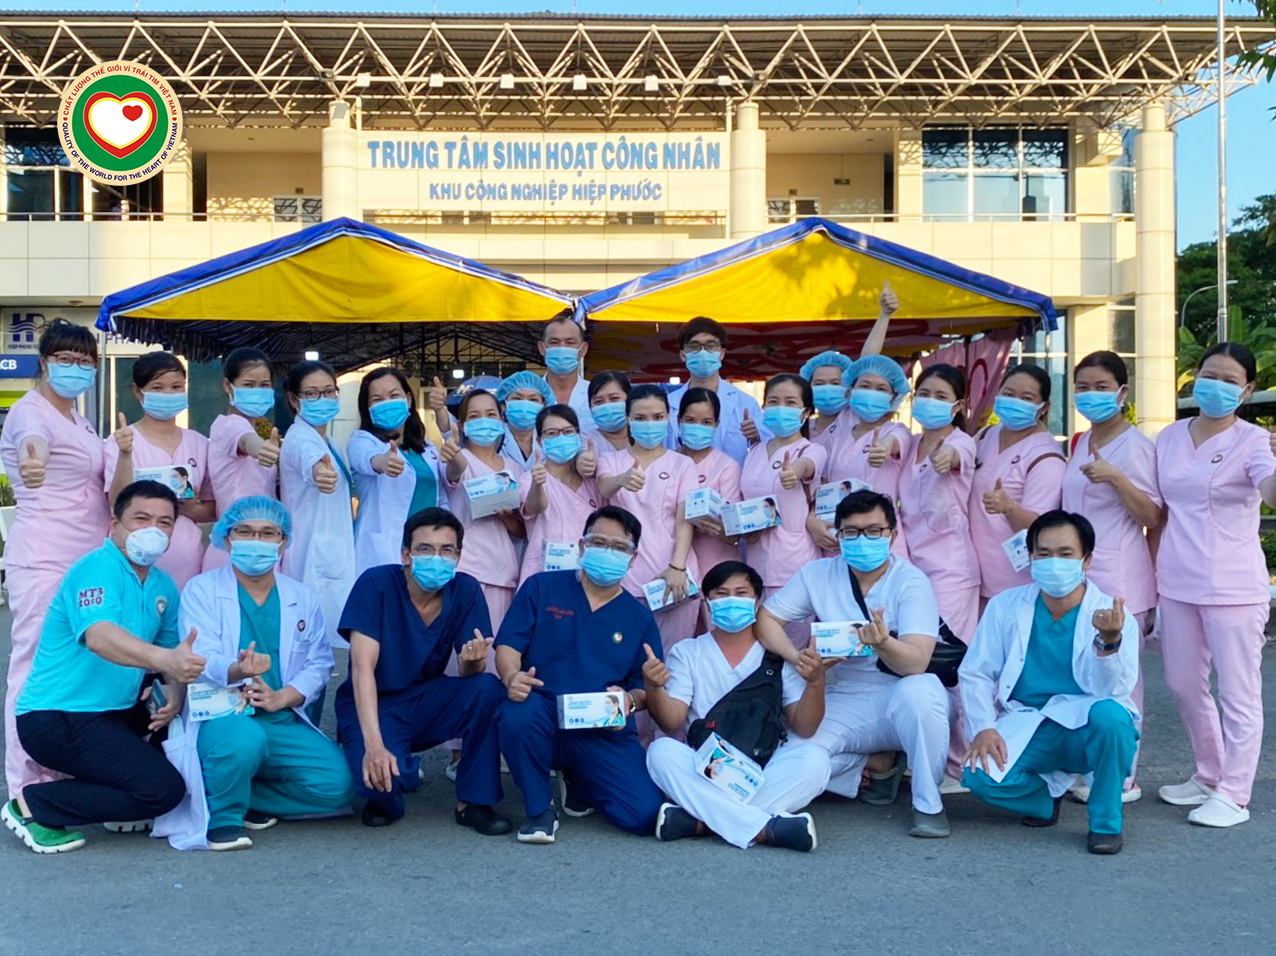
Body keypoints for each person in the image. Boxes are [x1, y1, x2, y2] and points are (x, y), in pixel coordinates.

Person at [2, 480, 202, 854]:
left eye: (164, 523)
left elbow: (171, 654)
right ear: (114, 524)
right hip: (57, 717)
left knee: (174, 717)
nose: (153, 530)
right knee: (163, 791)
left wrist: (174, 693)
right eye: (141, 519)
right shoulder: (96, 569)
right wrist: (165, 661)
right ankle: (34, 805)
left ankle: (117, 796)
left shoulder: (162, 585)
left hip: (113, 712)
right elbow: (99, 636)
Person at [161, 496, 355, 851]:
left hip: (280, 717)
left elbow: (319, 662)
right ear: (227, 538)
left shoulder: (301, 596)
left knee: (339, 786)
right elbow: (200, 654)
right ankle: (225, 818)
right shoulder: (202, 589)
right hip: (224, 714)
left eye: (268, 533)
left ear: (283, 542)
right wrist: (237, 668)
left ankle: (239, 790)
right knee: (243, 741)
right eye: (246, 532)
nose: (257, 540)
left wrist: (283, 696)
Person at [758, 489, 952, 839]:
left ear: (892, 535)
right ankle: (875, 765)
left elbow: (917, 662)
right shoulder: (818, 574)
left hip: (903, 696)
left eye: (874, 531)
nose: (863, 540)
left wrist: (884, 643)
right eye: (851, 532)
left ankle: (928, 805)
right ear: (838, 535)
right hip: (847, 696)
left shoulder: (911, 582)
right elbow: (766, 619)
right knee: (797, 754)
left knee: (922, 692)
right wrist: (797, 657)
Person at [961, 510, 1139, 855]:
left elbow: (1114, 692)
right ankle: (1046, 798)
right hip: (1030, 722)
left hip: (1084, 724)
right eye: (1043, 553)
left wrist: (1109, 642)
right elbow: (976, 672)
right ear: (1030, 557)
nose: (1053, 562)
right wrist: (984, 727)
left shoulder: (1113, 615)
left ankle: (1105, 824)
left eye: (1066, 554)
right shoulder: (1005, 606)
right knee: (977, 777)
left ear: (1086, 560)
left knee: (1114, 719)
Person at [1155, 343, 1276, 828]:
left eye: (1230, 380)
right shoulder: (1169, 436)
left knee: (1239, 693)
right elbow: (1157, 506)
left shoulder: (1254, 441)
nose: (1216, 386)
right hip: (1176, 580)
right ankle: (1209, 773)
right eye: (1209, 375)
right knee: (1183, 684)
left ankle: (1235, 793)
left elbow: (1270, 491)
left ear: (1247, 390)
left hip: (1232, 586)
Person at [495, 506, 665, 843]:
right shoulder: (542, 587)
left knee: (644, 813)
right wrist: (512, 676)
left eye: (619, 547)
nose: (608, 552)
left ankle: (580, 777)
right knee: (517, 714)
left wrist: (630, 701)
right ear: (582, 546)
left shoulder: (639, 617)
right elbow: (509, 645)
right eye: (599, 542)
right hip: (542, 714)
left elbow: (641, 689)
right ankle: (540, 809)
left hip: (602, 729)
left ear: (633, 558)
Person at [336, 508, 510, 833]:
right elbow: (361, 669)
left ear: (458, 556)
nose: (436, 558)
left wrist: (473, 661)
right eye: (425, 549)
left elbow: (470, 675)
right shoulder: (376, 584)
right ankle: (393, 767)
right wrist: (374, 746)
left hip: (425, 699)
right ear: (406, 554)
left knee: (488, 688)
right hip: (375, 703)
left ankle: (474, 802)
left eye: (446, 550)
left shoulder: (465, 590)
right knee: (381, 787)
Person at [0, 320, 112, 808]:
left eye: (85, 361)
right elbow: (33, 443)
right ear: (45, 362)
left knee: (72, 667)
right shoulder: (31, 412)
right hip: (45, 558)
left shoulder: (79, 419)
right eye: (66, 359)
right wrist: (32, 461)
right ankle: (25, 786)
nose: (76, 368)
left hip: (86, 560)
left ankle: (59, 768)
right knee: (32, 668)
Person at [644, 560, 831, 851]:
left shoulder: (778, 655)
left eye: (741, 593)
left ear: (757, 602)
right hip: (706, 767)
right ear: (707, 603)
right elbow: (671, 721)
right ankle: (765, 829)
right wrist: (654, 687)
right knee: (661, 752)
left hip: (763, 767)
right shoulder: (687, 652)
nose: (732, 600)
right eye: (721, 593)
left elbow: (805, 727)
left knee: (816, 759)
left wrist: (816, 682)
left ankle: (703, 821)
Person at [1063, 350, 1161, 804]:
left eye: (1101, 387)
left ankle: (1123, 776)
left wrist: (1117, 478)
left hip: (1121, 575)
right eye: (1082, 387)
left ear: (1122, 393)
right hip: (1079, 576)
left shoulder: (1137, 447)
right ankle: (1088, 766)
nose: (1090, 395)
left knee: (1123, 677)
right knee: (1084, 672)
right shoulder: (1081, 441)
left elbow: (1152, 516)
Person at [897, 364, 981, 788]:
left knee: (953, 666)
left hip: (952, 570)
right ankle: (927, 752)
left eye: (941, 395)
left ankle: (960, 763)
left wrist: (947, 457)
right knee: (918, 663)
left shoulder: (959, 443)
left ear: (959, 405)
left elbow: (957, 458)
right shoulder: (911, 444)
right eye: (923, 393)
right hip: (914, 569)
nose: (929, 401)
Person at [596, 385, 699, 652]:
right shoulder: (611, 460)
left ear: (668, 417)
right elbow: (604, 487)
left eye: (657, 417)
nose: (649, 424)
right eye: (640, 418)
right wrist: (621, 480)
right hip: (623, 572)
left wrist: (678, 567)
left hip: (672, 573)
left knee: (672, 654)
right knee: (623, 652)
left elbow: (685, 517)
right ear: (628, 419)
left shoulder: (682, 464)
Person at [104, 351, 216, 589]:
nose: (168, 394)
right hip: (133, 563)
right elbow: (116, 502)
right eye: (157, 388)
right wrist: (125, 454)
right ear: (138, 392)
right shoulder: (122, 441)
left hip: (188, 564)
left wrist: (190, 508)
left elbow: (212, 509)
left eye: (176, 387)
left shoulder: (199, 443)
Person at [740, 374, 827, 646]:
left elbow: (807, 466)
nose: (781, 408)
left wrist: (794, 473)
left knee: (793, 646)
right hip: (754, 562)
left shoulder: (812, 449)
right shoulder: (755, 451)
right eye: (774, 401)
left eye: (790, 402)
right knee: (760, 645)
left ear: (806, 412)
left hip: (794, 564)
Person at [969, 364, 1066, 603]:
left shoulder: (1046, 457)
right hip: (971, 574)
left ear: (1045, 407)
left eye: (1027, 398)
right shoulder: (985, 436)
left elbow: (1040, 527)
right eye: (1009, 394)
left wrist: (1009, 507)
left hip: (1013, 581)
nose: (1015, 402)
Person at [279, 359, 356, 652]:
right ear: (294, 400)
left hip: (328, 550)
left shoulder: (328, 440)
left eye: (329, 391)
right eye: (312, 393)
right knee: (307, 646)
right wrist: (319, 473)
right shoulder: (301, 438)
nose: (322, 399)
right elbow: (311, 461)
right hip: (311, 553)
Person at [441, 387, 525, 630]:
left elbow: (522, 529)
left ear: (501, 418)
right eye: (474, 416)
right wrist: (453, 452)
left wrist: (508, 519)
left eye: (490, 414)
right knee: (465, 643)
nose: (484, 421)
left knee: (495, 643)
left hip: (502, 571)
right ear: (462, 424)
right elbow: (454, 470)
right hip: (466, 569)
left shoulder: (514, 468)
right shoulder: (460, 460)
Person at [348, 366, 445, 576]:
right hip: (384, 552)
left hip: (426, 549)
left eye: (394, 396)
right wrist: (382, 462)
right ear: (368, 408)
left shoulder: (427, 448)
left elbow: (441, 497)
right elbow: (365, 459)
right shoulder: (362, 441)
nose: (387, 403)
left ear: (408, 399)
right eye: (377, 400)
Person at [820, 354, 912, 557]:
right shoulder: (839, 431)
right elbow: (823, 482)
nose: (871, 393)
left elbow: (893, 443)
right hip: (839, 535)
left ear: (893, 398)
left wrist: (883, 449)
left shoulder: (897, 431)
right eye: (865, 386)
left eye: (881, 389)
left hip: (879, 537)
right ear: (850, 391)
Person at [202, 347, 280, 572]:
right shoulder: (230, 425)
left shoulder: (252, 428)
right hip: (235, 546)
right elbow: (246, 442)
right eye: (248, 385)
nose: (257, 391)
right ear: (228, 386)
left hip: (259, 543)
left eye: (264, 385)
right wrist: (262, 450)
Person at [662, 316, 766, 466]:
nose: (703, 352)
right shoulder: (668, 405)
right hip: (679, 479)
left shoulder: (746, 404)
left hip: (732, 480)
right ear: (683, 355)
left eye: (710, 346)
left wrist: (756, 437)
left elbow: (767, 451)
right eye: (694, 346)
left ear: (721, 354)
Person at [518, 404, 600, 586]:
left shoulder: (592, 482)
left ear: (578, 435)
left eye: (568, 431)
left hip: (587, 575)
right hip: (543, 575)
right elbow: (535, 507)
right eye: (552, 433)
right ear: (540, 441)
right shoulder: (529, 479)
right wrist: (538, 484)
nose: (561, 437)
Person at [676, 387, 743, 576]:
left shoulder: (727, 466)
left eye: (706, 422)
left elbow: (735, 533)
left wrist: (718, 528)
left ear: (717, 424)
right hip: (675, 567)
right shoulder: (667, 461)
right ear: (679, 420)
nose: (698, 427)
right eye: (690, 420)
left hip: (717, 568)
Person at [538, 311, 594, 429]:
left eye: (570, 342)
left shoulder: (596, 396)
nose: (562, 348)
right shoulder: (528, 397)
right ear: (542, 348)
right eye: (554, 342)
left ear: (583, 349)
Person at [497, 370, 556, 471]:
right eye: (517, 398)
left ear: (544, 406)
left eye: (533, 400)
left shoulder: (551, 440)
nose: (525, 406)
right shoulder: (493, 439)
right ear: (503, 405)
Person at [799, 349, 853, 448]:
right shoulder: (801, 429)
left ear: (848, 388)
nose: (827, 389)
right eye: (819, 384)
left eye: (835, 383)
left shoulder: (856, 423)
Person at [587, 370, 632, 451]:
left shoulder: (645, 436)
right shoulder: (585, 440)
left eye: (614, 398)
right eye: (598, 401)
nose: (607, 406)